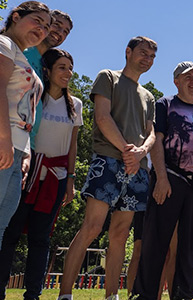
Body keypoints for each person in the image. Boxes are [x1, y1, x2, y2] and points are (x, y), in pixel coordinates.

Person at [58, 36, 157, 300]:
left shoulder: (149, 96)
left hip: (138, 169)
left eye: (152, 56)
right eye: (143, 53)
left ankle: (111, 295)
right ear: (128, 52)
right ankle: (65, 294)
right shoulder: (108, 78)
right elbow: (102, 117)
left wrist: (141, 153)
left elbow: (151, 134)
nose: (147, 59)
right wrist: (128, 151)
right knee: (91, 228)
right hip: (108, 161)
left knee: (121, 234)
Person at [133, 61, 193, 300]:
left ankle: (183, 295)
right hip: (170, 178)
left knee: (190, 248)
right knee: (155, 242)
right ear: (176, 82)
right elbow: (157, 140)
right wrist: (161, 178)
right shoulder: (165, 104)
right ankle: (145, 295)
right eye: (188, 77)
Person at [0, 48, 81, 300]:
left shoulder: (75, 105)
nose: (67, 73)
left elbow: (73, 145)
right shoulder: (35, 97)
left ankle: (33, 294)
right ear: (47, 70)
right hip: (27, 171)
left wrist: (70, 180)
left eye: (70, 68)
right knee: (11, 233)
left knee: (41, 237)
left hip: (55, 179)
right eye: (61, 67)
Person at [0, 1, 50, 248]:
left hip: (17, 150)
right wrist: (4, 139)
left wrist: (26, 152)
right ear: (16, 17)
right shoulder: (4, 44)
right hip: (3, 143)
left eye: (46, 27)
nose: (42, 29)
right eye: (37, 21)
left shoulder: (23, 57)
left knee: (1, 224)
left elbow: (25, 111)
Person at [24, 9, 72, 151]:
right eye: (57, 25)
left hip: (29, 145)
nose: (60, 33)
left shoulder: (46, 67)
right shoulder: (20, 50)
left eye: (66, 32)